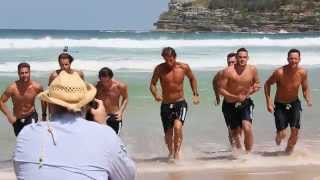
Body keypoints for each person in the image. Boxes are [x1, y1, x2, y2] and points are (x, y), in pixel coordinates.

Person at [14, 71, 136, 180]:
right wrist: (103, 126)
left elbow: (20, 172)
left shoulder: (26, 134)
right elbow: (127, 176)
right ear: (85, 104)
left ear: (49, 103)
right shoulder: (104, 134)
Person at [149, 47, 200, 161]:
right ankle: (171, 152)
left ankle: (177, 152)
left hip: (180, 103)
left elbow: (192, 79)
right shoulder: (159, 69)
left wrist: (195, 94)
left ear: (175, 57)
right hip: (166, 105)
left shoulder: (184, 67)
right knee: (168, 133)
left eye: (170, 59)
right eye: (165, 59)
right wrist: (155, 94)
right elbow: (152, 84)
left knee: (177, 127)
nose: (168, 62)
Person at [264, 48, 312, 154]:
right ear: (287, 59)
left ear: (299, 59)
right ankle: (278, 135)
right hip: (280, 105)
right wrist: (269, 102)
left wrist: (307, 98)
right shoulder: (279, 72)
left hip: (294, 103)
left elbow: (305, 88)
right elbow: (267, 84)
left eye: (295, 59)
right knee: (282, 134)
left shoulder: (302, 72)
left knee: (295, 131)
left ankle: (287, 153)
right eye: (291, 58)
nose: (293, 61)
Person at [218, 48, 260, 153]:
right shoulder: (228, 72)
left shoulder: (252, 70)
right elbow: (221, 89)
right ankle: (237, 152)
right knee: (235, 133)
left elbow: (257, 83)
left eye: (244, 57)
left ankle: (248, 154)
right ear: (236, 58)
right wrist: (235, 97)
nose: (242, 59)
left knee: (247, 127)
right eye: (240, 57)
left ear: (248, 58)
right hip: (229, 104)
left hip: (245, 103)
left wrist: (251, 91)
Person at [0, 63, 46, 136]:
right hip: (17, 119)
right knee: (20, 139)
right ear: (18, 74)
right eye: (22, 73)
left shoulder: (37, 87)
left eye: (26, 72)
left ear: (30, 72)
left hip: (31, 115)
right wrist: (9, 116)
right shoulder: (12, 88)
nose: (24, 75)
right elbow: (1, 102)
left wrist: (44, 115)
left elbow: (43, 99)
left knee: (30, 137)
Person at [87, 67, 128, 135]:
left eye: (107, 81)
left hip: (114, 116)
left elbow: (125, 98)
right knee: (98, 138)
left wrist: (121, 112)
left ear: (111, 78)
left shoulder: (120, 86)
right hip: (100, 115)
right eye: (102, 81)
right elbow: (90, 101)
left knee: (115, 139)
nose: (105, 84)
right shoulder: (96, 86)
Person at [212, 52, 237, 147]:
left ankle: (241, 148)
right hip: (228, 104)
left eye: (233, 62)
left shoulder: (243, 73)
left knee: (242, 128)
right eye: (229, 62)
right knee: (231, 129)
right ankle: (234, 149)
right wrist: (217, 96)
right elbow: (214, 81)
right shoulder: (222, 73)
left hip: (242, 103)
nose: (231, 64)